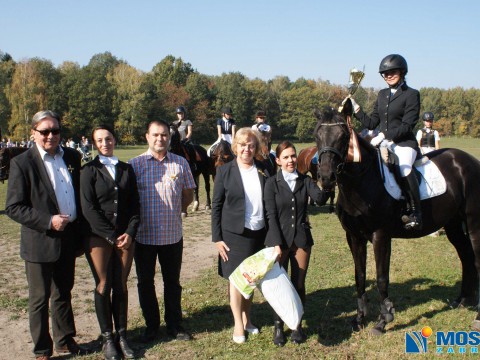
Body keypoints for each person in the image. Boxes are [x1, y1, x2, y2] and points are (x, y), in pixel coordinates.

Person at [5, 110, 86, 360]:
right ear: (34, 133)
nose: (51, 135)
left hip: (68, 238)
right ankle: (42, 349)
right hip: (39, 241)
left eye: (55, 131)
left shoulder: (72, 156)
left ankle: (64, 340)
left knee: (63, 292)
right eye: (45, 131)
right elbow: (14, 207)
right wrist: (48, 221)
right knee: (39, 299)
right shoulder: (22, 162)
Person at [129, 119, 196, 343]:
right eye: (155, 135)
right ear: (147, 137)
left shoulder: (180, 163)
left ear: (169, 137)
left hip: (171, 235)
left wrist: (179, 210)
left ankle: (174, 325)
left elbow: (188, 194)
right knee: (145, 283)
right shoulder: (134, 165)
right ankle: (151, 326)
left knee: (172, 282)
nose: (160, 139)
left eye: (164, 135)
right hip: (144, 237)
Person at [80, 125, 140, 360]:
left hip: (126, 235)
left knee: (121, 285)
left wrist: (130, 232)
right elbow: (88, 208)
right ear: (95, 144)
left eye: (108, 139)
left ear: (114, 140)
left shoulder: (127, 169)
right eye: (100, 140)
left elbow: (135, 204)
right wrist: (111, 236)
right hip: (99, 236)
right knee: (104, 285)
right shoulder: (89, 171)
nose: (105, 143)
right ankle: (107, 338)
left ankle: (122, 336)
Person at [264, 141, 331, 346]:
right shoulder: (271, 183)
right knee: (280, 287)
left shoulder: (305, 180)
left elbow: (319, 199)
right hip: (279, 241)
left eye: (293, 156)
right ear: (278, 161)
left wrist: (326, 180)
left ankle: (297, 325)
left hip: (301, 239)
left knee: (298, 284)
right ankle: (278, 327)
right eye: (285, 157)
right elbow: (271, 216)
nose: (291, 160)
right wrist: (276, 243)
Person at [348, 54, 422, 230]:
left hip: (404, 144)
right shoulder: (382, 94)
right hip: (385, 143)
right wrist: (356, 109)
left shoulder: (412, 94)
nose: (388, 75)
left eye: (392, 72)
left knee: (404, 167)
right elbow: (372, 122)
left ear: (402, 72)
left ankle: (416, 212)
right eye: (385, 73)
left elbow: (407, 125)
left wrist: (384, 135)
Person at [211, 127, 270, 344]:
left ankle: (248, 319)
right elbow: (216, 206)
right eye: (243, 145)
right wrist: (217, 238)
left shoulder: (264, 169)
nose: (246, 149)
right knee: (236, 280)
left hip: (258, 233)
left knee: (250, 278)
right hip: (233, 234)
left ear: (256, 148)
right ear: (236, 147)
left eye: (251, 145)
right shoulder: (225, 171)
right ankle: (238, 323)